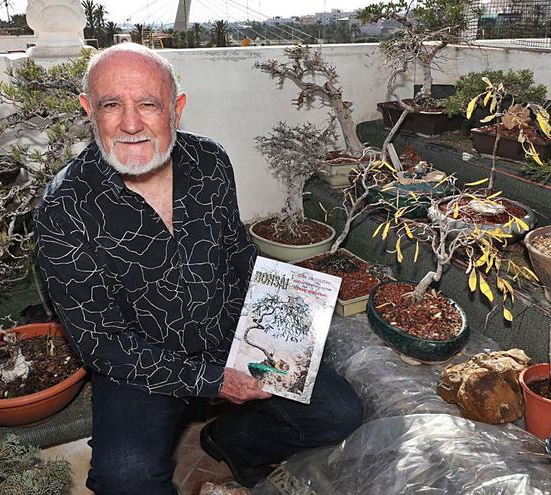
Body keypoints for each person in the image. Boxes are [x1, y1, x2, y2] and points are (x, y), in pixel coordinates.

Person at [34, 43, 363, 495]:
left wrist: (292, 317)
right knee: (123, 478)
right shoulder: (64, 206)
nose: (131, 124)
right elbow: (101, 344)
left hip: (231, 334)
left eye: (148, 104)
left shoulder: (209, 162)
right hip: (141, 364)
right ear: (89, 110)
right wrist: (212, 381)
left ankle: (233, 442)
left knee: (338, 413)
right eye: (112, 105)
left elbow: (237, 254)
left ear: (176, 108)